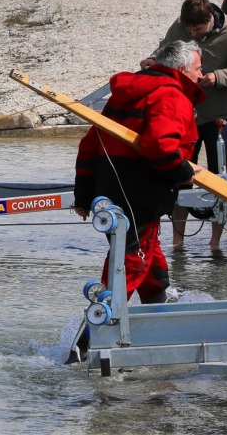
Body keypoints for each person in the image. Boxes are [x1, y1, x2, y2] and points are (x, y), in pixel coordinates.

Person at [74, 40, 205, 304]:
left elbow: (90, 145)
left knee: (149, 252)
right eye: (199, 69)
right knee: (131, 259)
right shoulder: (171, 94)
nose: (201, 75)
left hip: (111, 191)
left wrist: (84, 195)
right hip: (141, 193)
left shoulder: (127, 92)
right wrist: (183, 173)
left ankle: (158, 310)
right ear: (181, 68)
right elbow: (160, 146)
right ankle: (98, 331)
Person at [142, 0, 227, 250]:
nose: (193, 35)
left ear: (210, 19)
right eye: (189, 30)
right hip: (183, 117)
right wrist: (152, 61)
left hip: (217, 118)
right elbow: (165, 52)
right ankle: (177, 244)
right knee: (180, 178)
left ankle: (215, 244)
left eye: (198, 30)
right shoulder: (179, 27)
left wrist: (219, 77)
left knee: (220, 180)